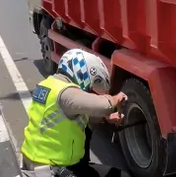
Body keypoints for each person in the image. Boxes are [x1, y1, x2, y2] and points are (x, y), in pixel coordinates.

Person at [21, 48, 128, 177]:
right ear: (81, 71)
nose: (89, 89)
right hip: (52, 169)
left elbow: (69, 116)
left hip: (39, 162)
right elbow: (104, 106)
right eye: (91, 83)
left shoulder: (48, 85)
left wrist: (106, 119)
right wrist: (117, 98)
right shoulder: (65, 92)